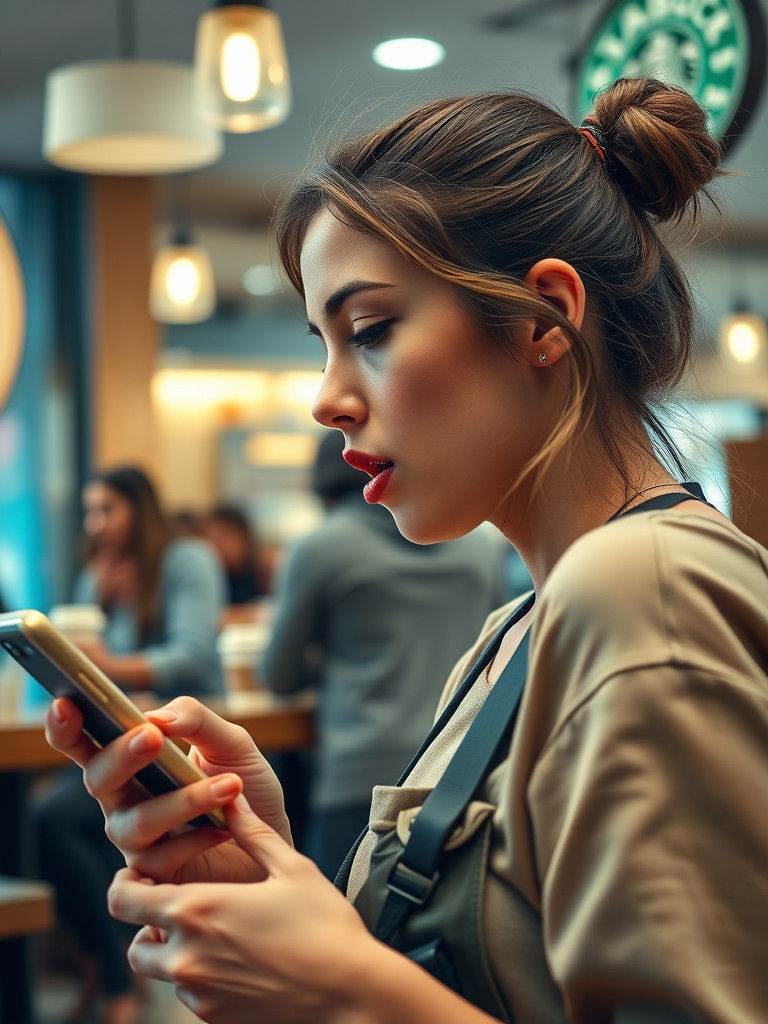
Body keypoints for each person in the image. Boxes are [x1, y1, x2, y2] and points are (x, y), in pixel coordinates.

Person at [44, 78, 768, 1024]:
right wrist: (278, 878)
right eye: (325, 344)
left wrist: (341, 989)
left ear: (544, 318)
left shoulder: (640, 588)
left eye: (372, 331)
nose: (326, 397)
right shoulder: (520, 624)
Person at [261, 429, 504, 876]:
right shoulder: (481, 547)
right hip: (464, 771)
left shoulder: (320, 547)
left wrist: (333, 661)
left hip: (360, 778)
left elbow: (279, 676)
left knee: (335, 931)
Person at [35, 465, 225, 1024]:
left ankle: (117, 981)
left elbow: (192, 657)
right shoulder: (99, 576)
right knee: (41, 818)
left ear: (139, 510)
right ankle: (107, 966)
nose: (94, 524)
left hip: (185, 741)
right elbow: (80, 672)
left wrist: (109, 657)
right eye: (90, 512)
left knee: (56, 817)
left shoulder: (188, 560)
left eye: (106, 510)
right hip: (123, 742)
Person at [203, 504, 265, 606]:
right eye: (211, 539)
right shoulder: (210, 578)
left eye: (224, 537)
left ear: (245, 538)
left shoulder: (262, 575)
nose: (216, 547)